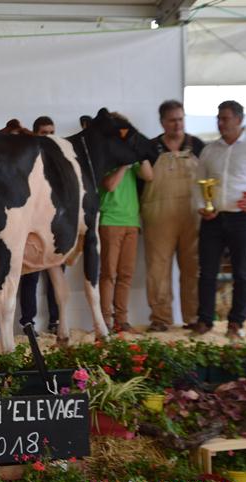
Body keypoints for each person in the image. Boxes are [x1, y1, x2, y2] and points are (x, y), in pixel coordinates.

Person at [191, 100, 246, 339]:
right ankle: (205, 320)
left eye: (225, 118)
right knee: (206, 272)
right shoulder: (209, 150)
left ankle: (236, 323)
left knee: (242, 272)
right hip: (212, 218)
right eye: (218, 117)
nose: (220, 122)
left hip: (242, 219)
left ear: (239, 119)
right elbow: (199, 182)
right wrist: (201, 207)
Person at [141, 100, 205, 332]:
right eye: (172, 120)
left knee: (192, 268)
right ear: (162, 122)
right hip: (158, 218)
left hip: (192, 216)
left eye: (180, 119)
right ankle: (160, 318)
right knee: (157, 270)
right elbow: (139, 184)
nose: (177, 124)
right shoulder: (149, 148)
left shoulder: (198, 146)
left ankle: (194, 317)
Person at [98, 113, 154, 333]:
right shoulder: (105, 153)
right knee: (109, 273)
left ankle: (122, 320)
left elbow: (149, 175)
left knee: (125, 275)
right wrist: (124, 164)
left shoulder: (130, 152)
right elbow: (110, 185)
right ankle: (105, 320)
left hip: (132, 220)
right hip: (110, 219)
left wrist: (139, 152)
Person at [18, 116, 63, 335]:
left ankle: (56, 320)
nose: (50, 137)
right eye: (45, 133)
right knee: (30, 276)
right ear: (36, 134)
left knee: (57, 274)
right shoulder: (26, 161)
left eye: (52, 132)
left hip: (55, 227)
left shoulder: (62, 162)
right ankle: (28, 322)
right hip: (32, 226)